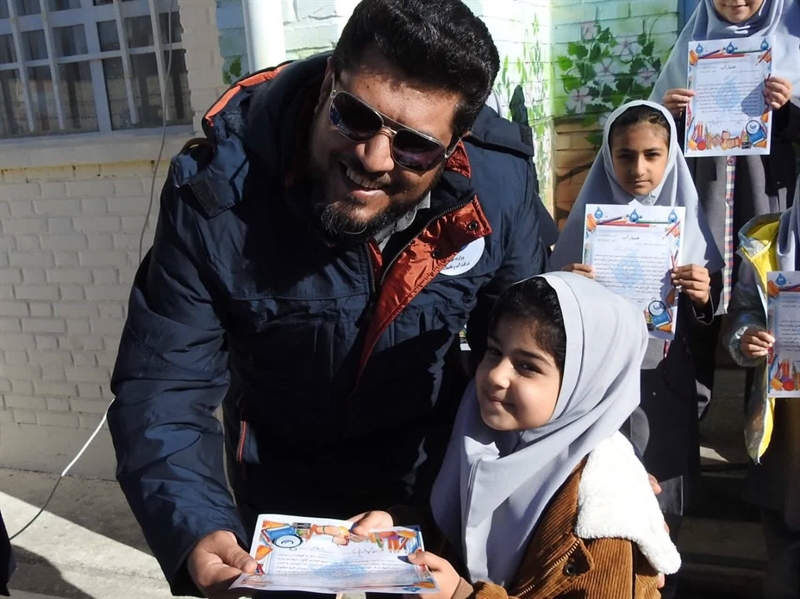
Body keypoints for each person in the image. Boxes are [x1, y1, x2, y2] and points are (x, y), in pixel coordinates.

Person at [107, 0, 547, 596]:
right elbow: (165, 385)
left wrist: (591, 463)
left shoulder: (501, 186)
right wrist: (197, 529)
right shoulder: (217, 196)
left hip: (432, 490)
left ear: (455, 145)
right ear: (327, 85)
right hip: (280, 497)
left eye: (415, 146)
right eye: (355, 116)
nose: (372, 158)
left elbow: (535, 356)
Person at [351, 273, 680, 599]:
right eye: (494, 352)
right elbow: (462, 530)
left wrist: (463, 596)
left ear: (586, 383)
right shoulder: (490, 440)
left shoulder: (609, 505)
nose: (496, 375)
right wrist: (399, 526)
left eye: (527, 366)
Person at [548, 101, 722, 597]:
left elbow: (712, 325)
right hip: (598, 391)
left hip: (662, 388)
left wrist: (703, 298)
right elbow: (550, 321)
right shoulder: (585, 229)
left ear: (671, 157)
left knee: (661, 505)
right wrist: (567, 286)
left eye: (652, 155)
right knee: (600, 502)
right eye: (625, 156)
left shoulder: (689, 229)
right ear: (608, 158)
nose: (638, 168)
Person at [649, 0, 800, 419]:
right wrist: (669, 114)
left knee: (766, 316)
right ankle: (686, 432)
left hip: (766, 202)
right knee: (696, 304)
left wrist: (787, 110)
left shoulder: (791, 40)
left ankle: (763, 441)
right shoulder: (693, 44)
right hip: (704, 203)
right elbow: (651, 136)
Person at [722, 186, 800, 599]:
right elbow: (746, 311)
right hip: (787, 424)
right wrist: (748, 335)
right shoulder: (768, 241)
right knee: (787, 541)